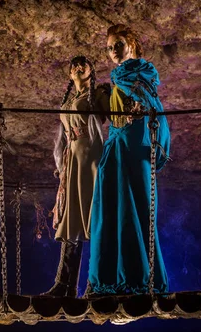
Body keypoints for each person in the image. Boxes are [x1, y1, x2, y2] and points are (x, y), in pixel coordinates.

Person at [87, 24, 171, 296]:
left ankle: (139, 279)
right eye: (109, 47)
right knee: (110, 207)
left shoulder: (139, 71)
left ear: (132, 44)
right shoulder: (117, 77)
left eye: (118, 44)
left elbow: (151, 104)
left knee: (135, 206)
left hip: (134, 142)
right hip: (116, 143)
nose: (113, 51)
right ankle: (111, 279)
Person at [43, 55, 109, 297]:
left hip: (91, 159)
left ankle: (96, 285)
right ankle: (65, 285)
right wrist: (61, 164)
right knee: (71, 220)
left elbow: (118, 117)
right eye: (74, 65)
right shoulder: (69, 101)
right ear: (70, 74)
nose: (78, 67)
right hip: (72, 162)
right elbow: (63, 137)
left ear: (92, 70)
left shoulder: (98, 95)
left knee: (93, 218)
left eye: (84, 64)